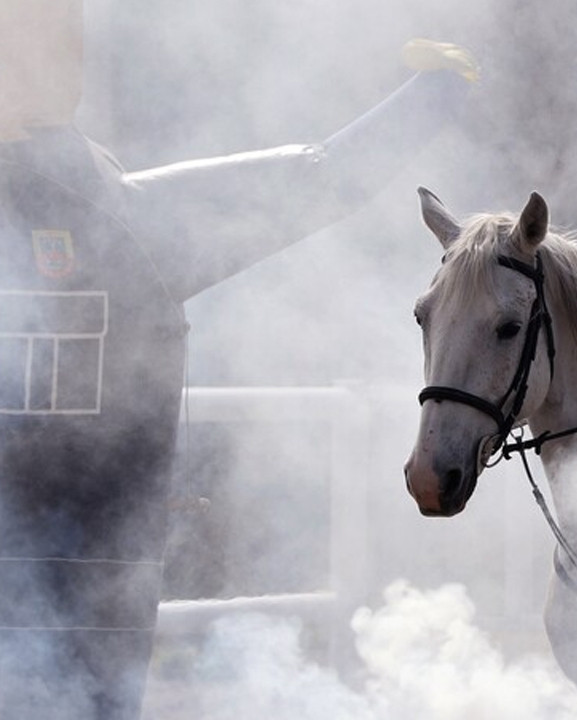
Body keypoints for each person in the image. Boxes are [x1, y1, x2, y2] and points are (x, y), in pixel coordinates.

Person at [0, 2, 477, 718]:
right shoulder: (122, 221)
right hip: (98, 588)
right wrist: (431, 98)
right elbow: (317, 180)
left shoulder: (117, 214)